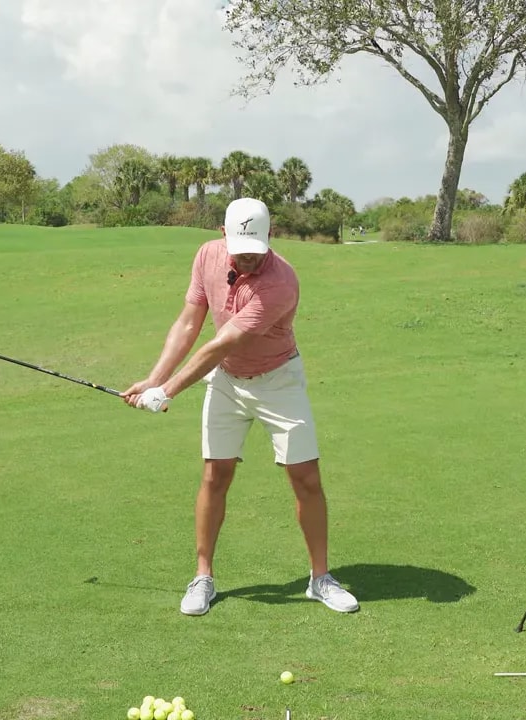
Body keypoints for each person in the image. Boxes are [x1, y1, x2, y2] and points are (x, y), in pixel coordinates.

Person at [122, 197, 359, 617]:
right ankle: (203, 577)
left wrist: (169, 391)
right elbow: (189, 322)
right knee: (216, 474)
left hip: (278, 381)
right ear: (222, 236)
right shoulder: (207, 256)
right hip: (227, 381)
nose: (248, 258)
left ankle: (320, 578)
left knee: (305, 477)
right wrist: (155, 378)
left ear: (270, 236)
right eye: (240, 249)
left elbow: (222, 342)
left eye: (256, 249)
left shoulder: (281, 282)